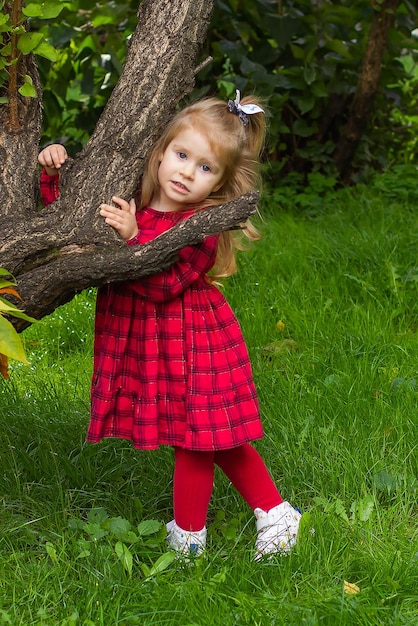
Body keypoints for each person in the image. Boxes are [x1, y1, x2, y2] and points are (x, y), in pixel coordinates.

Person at [38, 91, 302, 560]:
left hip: (195, 341)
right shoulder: (134, 197)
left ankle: (188, 539)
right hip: (154, 343)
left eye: (205, 168)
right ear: (161, 151)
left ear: (220, 183)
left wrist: (134, 238)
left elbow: (163, 284)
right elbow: (73, 224)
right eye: (182, 156)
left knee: (196, 438)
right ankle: (275, 512)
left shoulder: (202, 224)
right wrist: (53, 173)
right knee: (213, 435)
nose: (185, 172)